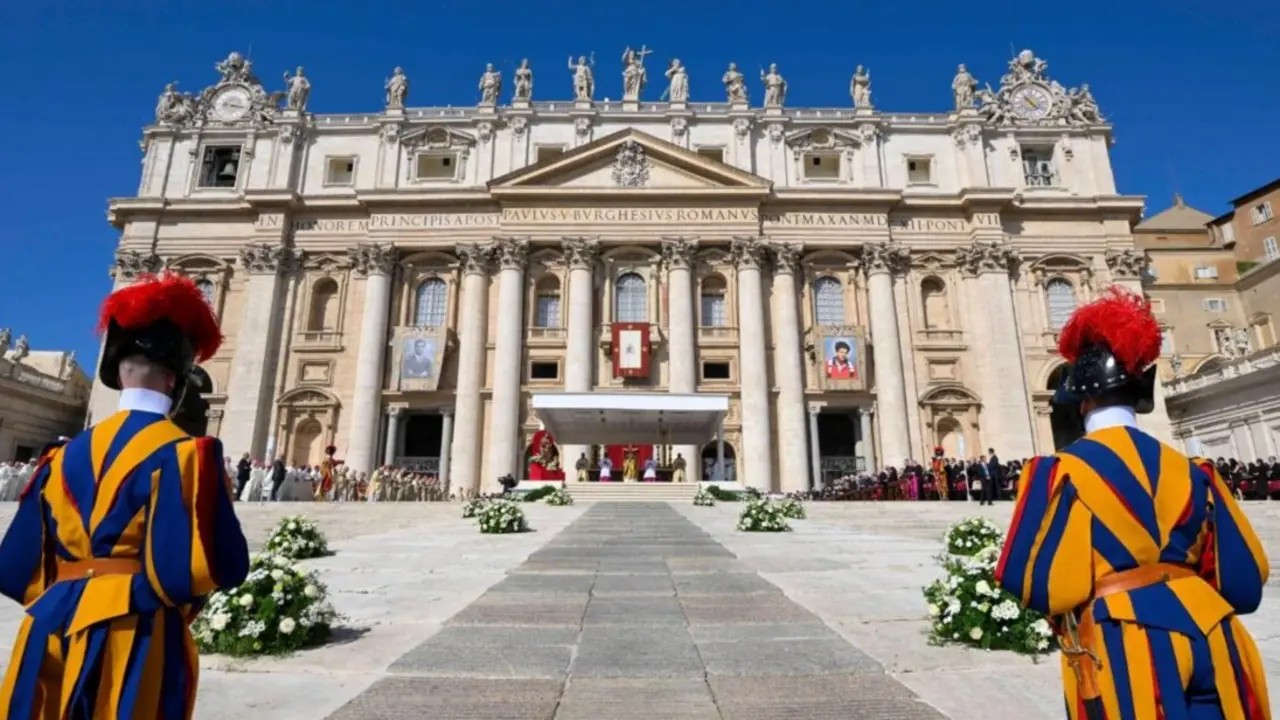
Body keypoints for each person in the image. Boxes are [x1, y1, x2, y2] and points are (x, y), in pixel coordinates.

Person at [995, 287, 1269, 719]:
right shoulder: (1198, 471)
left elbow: (1038, 584)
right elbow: (1245, 582)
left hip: (1126, 646)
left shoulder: (1055, 473)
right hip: (1216, 636)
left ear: (1081, 402)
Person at [0, 272, 250, 719]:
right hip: (135, 631)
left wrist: (69, 591)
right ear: (176, 381)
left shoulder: (58, 457)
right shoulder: (187, 453)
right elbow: (215, 565)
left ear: (117, 372)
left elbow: (15, 565)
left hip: (49, 626)